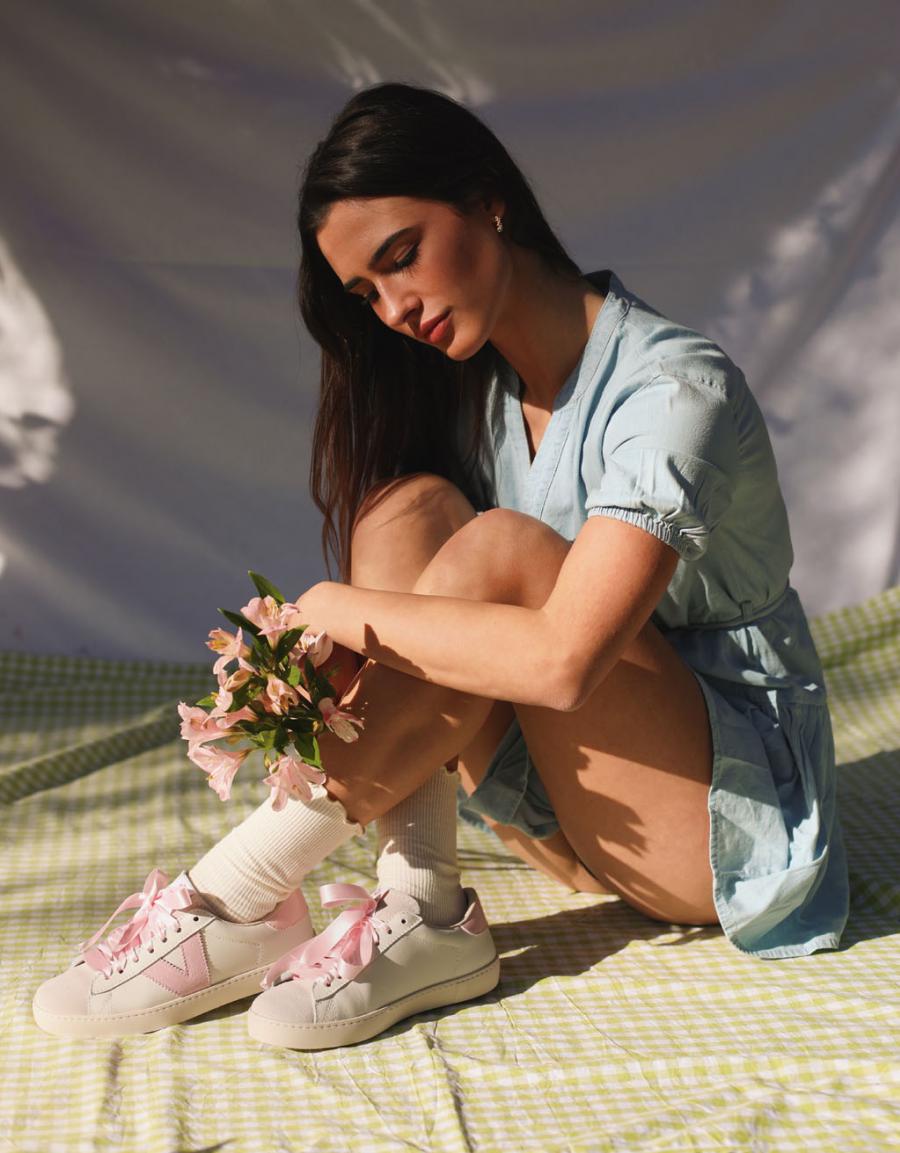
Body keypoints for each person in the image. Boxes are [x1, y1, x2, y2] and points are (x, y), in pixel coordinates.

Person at [32, 82, 849, 1049]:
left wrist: (327, 605)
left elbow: (564, 662)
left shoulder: (673, 387)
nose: (393, 309)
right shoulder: (486, 395)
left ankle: (236, 892)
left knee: (501, 550)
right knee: (403, 509)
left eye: (400, 257)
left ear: (487, 201)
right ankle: (424, 906)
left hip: (720, 825)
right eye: (366, 295)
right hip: (568, 824)